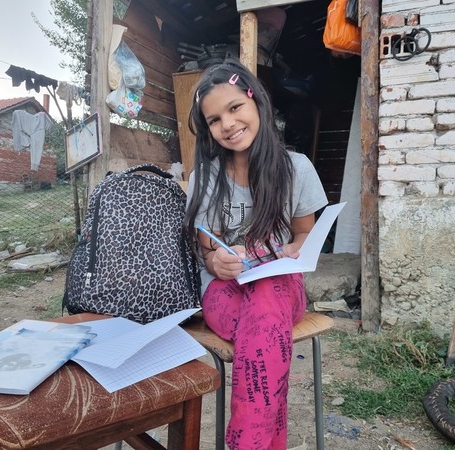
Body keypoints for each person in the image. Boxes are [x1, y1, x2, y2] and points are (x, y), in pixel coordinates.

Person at [184, 58, 328, 450]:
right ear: (208, 131)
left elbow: (303, 236)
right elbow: (208, 247)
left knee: (265, 308)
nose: (227, 124)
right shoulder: (207, 177)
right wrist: (218, 261)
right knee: (265, 337)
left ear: (255, 100)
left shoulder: (296, 168)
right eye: (214, 120)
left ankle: (246, 442)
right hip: (223, 292)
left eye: (234, 108)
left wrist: (286, 252)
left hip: (281, 288)